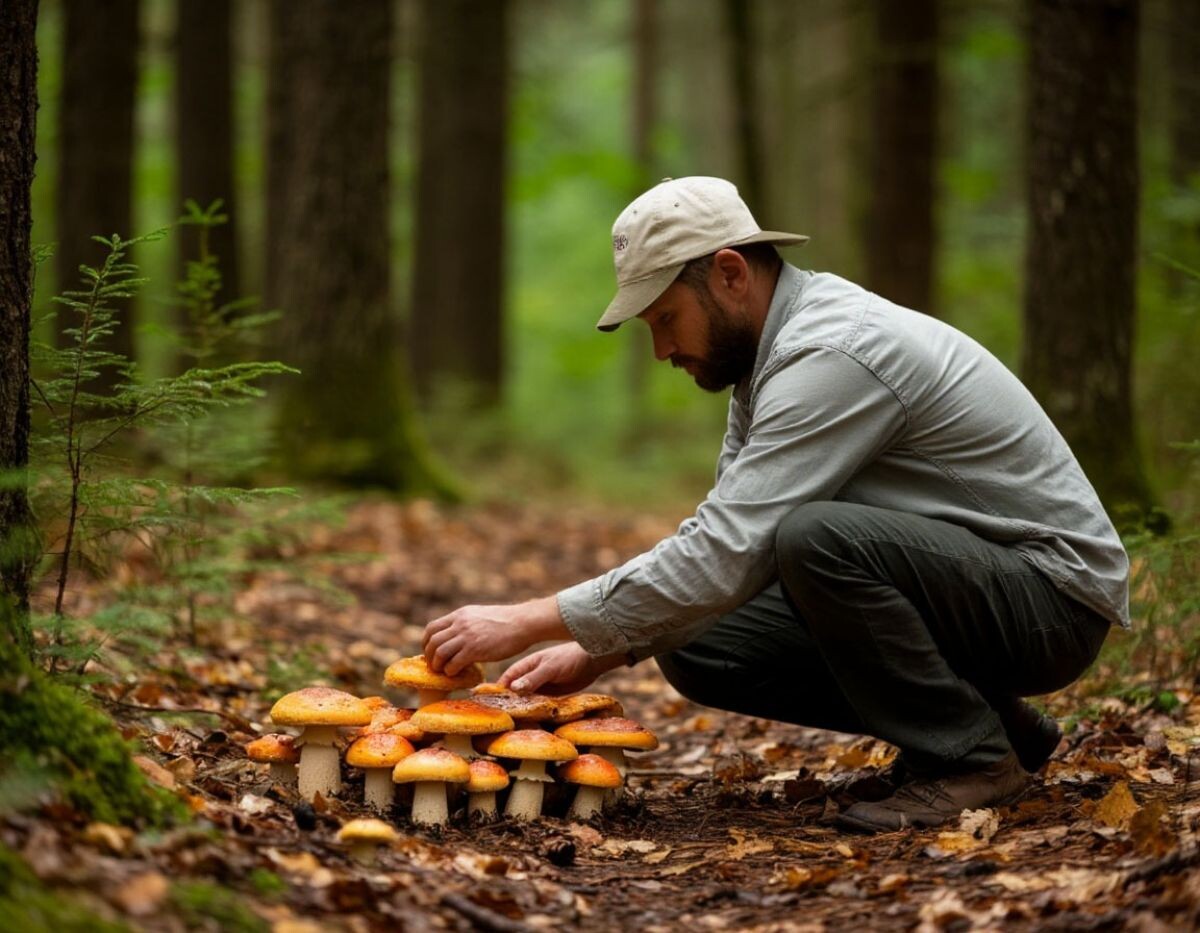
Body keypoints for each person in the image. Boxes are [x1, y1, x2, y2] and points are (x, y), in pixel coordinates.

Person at [421, 176, 1127, 833]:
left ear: (730, 274)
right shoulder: (767, 365)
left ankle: (971, 762)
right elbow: (727, 551)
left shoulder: (835, 351)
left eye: (666, 317)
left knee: (817, 538)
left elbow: (731, 547)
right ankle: (993, 728)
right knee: (696, 637)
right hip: (977, 589)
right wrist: (602, 647)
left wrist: (527, 620)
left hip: (1052, 600)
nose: (662, 347)